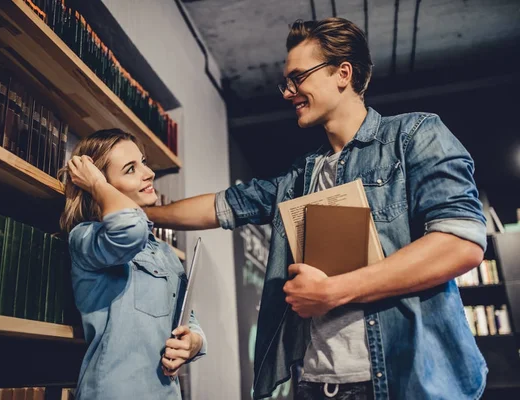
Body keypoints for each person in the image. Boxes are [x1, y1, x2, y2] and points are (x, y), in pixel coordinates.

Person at [145, 18, 487, 400]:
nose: (289, 92)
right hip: (314, 385)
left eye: (298, 77)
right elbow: (222, 206)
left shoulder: (414, 136)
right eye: (286, 82)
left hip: (401, 383)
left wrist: (335, 290)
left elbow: (461, 242)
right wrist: (141, 212)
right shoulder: (298, 176)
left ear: (343, 73)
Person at [59, 129, 207, 400]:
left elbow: (186, 317)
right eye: (130, 169)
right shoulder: (86, 238)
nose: (148, 173)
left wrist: (194, 342)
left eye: (143, 162)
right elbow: (128, 229)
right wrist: (95, 185)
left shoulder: (165, 252)